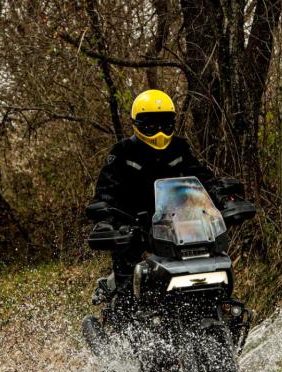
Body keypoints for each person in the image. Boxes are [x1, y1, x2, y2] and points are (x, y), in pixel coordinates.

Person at [87, 89, 219, 295]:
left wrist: (222, 195)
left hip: (179, 226)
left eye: (164, 123)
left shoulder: (180, 148)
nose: (158, 130)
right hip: (133, 230)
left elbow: (203, 176)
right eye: (150, 124)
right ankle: (126, 322)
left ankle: (218, 305)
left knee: (211, 261)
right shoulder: (122, 151)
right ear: (137, 124)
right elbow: (105, 191)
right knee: (129, 284)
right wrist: (105, 219)